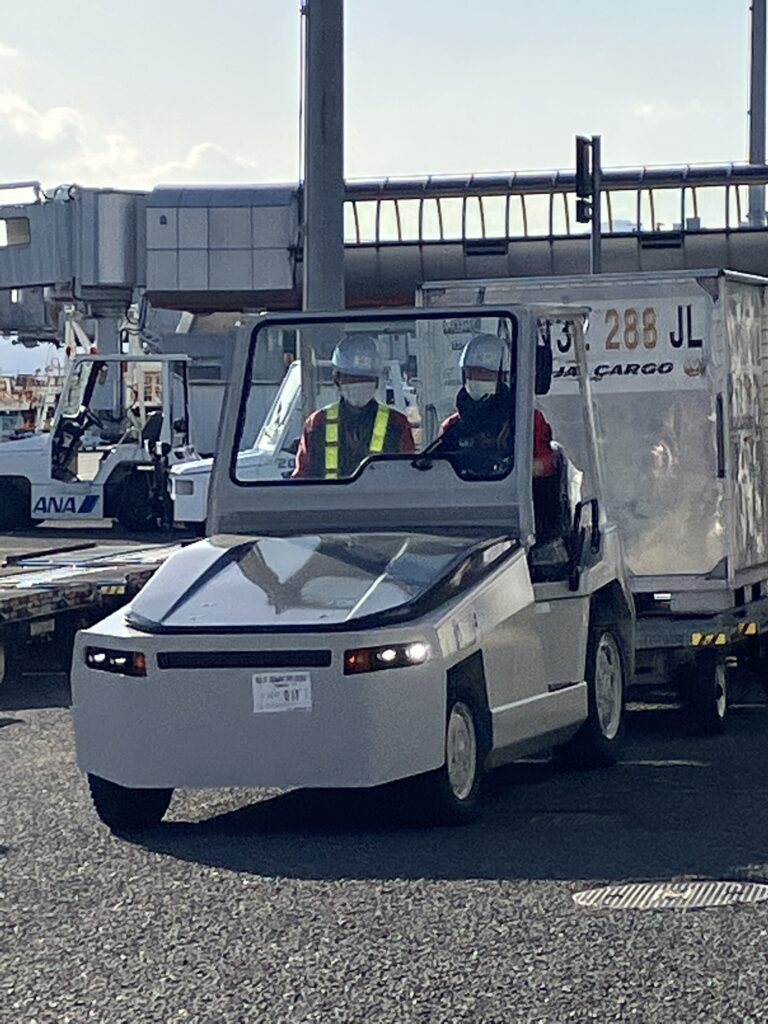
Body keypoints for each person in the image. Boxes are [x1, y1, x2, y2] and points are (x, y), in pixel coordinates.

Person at [293, 335, 415, 479]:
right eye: (352, 378)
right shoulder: (316, 423)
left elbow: (408, 476)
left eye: (365, 378)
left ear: (376, 382)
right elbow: (301, 478)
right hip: (329, 495)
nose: (359, 383)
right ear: (337, 379)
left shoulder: (397, 423)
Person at [439, 333, 555, 479]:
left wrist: (526, 468)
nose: (476, 378)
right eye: (471, 372)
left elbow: (547, 462)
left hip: (512, 491)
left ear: (502, 377)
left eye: (485, 373)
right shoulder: (452, 427)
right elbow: (439, 471)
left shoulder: (528, 421)